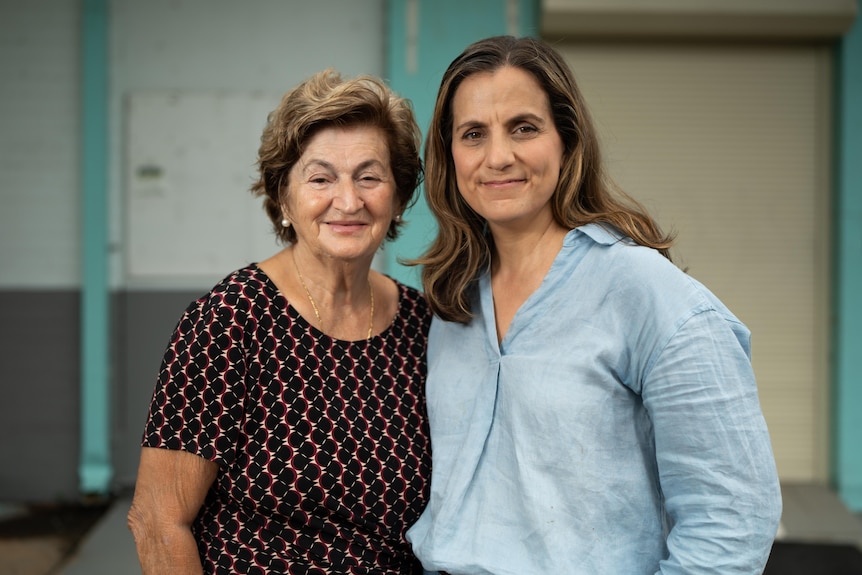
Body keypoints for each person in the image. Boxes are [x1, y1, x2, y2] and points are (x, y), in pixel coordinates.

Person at [406, 36, 782, 574]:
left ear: (567, 138)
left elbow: (733, 517)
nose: (497, 157)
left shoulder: (644, 292)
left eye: (523, 128)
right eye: (473, 135)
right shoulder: (453, 298)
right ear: (450, 155)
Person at [128, 69, 431, 575]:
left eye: (369, 176)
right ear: (284, 198)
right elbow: (158, 519)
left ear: (397, 197)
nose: (349, 200)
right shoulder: (230, 320)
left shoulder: (420, 325)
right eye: (320, 178)